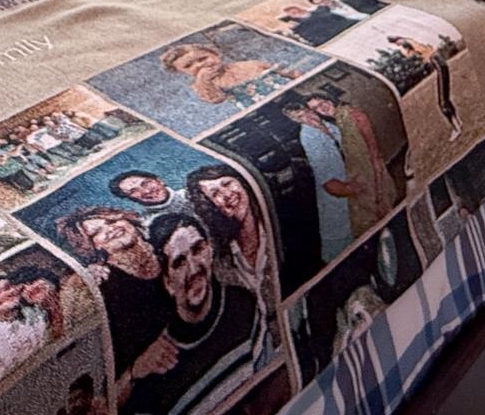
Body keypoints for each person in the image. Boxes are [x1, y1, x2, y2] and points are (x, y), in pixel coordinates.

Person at [123, 213, 269, 415]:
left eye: (198, 249)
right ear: (168, 283)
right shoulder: (157, 368)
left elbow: (270, 381)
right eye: (179, 262)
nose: (193, 269)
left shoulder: (242, 306)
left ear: (210, 251)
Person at [57, 208, 175, 379]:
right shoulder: (103, 285)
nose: (110, 229)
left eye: (112, 221)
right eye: (97, 232)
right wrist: (135, 369)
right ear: (94, 246)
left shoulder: (165, 247)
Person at [302, 90, 397, 233]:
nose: (321, 108)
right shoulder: (335, 125)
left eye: (322, 102)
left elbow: (374, 153)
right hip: (358, 179)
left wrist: (378, 187)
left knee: (384, 218)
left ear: (329, 99)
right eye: (315, 108)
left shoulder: (354, 115)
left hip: (373, 175)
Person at [183, 164, 275, 299]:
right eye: (215, 194)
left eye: (227, 184)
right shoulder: (220, 258)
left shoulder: (276, 230)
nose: (226, 194)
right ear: (211, 206)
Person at [280, 100, 354, 262]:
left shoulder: (330, 126)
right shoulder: (308, 137)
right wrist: (358, 190)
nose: (308, 117)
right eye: (301, 117)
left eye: (308, 112)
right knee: (340, 245)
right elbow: (329, 184)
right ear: (296, 121)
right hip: (337, 194)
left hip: (350, 182)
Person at [158, 40, 294, 108]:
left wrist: (297, 76)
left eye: (202, 59)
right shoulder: (201, 85)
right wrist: (203, 81)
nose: (199, 65)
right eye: (189, 66)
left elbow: (285, 71)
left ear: (216, 54)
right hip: (265, 108)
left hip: (292, 94)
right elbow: (215, 99)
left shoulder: (249, 64)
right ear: (181, 72)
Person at [388, 34, 462, 139]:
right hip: (438, 61)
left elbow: (408, 51)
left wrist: (405, 48)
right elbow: (412, 53)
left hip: (436, 62)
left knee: (442, 102)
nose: (397, 44)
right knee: (445, 98)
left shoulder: (407, 42)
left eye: (396, 41)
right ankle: (458, 122)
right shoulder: (412, 41)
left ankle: (456, 128)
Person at [109, 169, 187, 220]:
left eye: (146, 183)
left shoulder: (192, 193)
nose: (146, 191)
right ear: (130, 198)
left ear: (159, 180)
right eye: (133, 191)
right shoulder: (150, 223)